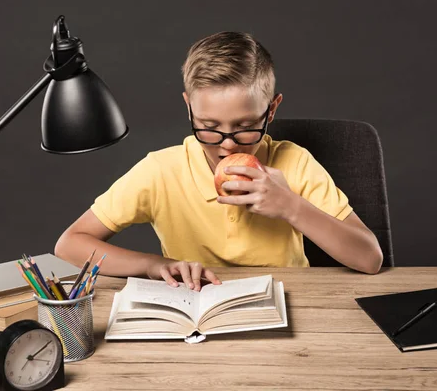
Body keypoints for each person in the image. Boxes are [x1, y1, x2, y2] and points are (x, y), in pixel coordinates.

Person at [54, 31, 383, 291]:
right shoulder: (161, 170)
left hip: (289, 305)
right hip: (198, 311)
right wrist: (153, 264)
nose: (227, 146)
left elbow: (369, 257)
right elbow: (70, 244)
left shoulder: (294, 162)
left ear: (271, 110)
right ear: (189, 108)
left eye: (245, 127)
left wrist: (291, 207)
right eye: (209, 128)